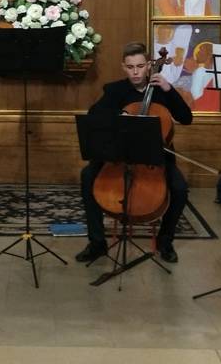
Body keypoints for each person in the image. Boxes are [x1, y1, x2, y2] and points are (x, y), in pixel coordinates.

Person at [76, 42, 193, 264]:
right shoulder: (115, 90)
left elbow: (186, 118)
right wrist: (118, 115)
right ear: (123, 67)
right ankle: (97, 243)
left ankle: (165, 241)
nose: (136, 72)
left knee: (179, 189)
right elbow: (95, 114)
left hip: (155, 159)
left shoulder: (162, 90)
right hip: (119, 155)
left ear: (149, 65)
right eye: (130, 67)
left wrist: (170, 90)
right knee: (87, 176)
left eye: (140, 66)